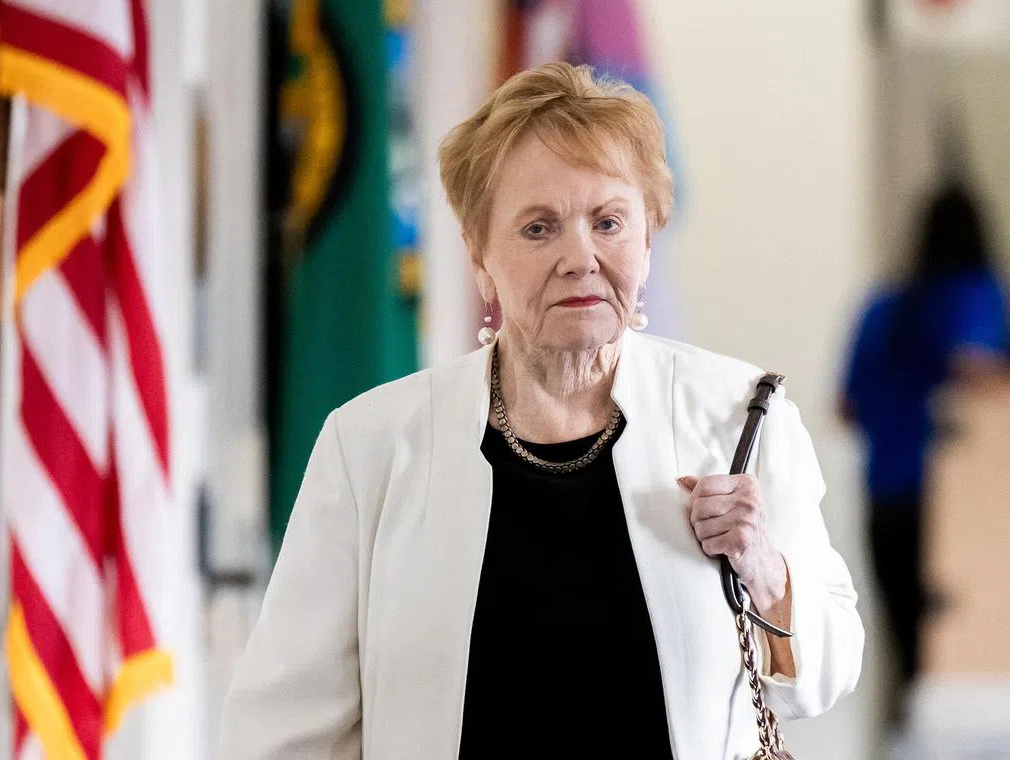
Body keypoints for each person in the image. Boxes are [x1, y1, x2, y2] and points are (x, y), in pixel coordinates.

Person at [219, 62, 864, 759]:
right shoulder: (371, 445)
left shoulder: (741, 418)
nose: (580, 257)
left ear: (648, 241)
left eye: (609, 222)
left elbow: (828, 675)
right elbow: (282, 731)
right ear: (479, 255)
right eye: (538, 228)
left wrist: (764, 568)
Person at [840, 180, 1009, 725]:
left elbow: (846, 406)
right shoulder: (977, 294)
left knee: (910, 661)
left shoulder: (882, 307)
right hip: (956, 508)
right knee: (961, 666)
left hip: (886, 499)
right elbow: (971, 367)